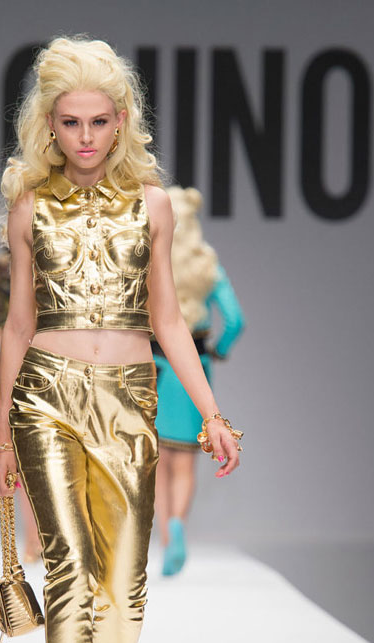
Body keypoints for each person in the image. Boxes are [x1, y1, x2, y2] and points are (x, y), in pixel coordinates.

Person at [0, 35, 242, 643]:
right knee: (68, 567)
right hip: (47, 398)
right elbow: (20, 322)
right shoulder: (30, 207)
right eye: (71, 122)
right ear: (49, 124)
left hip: (129, 397)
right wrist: (0, 438)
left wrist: (211, 412)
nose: (86, 137)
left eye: (100, 121)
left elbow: (168, 318)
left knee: (124, 584)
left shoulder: (152, 206)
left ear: (123, 120)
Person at [151, 186, 245, 575]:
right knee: (186, 462)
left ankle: (166, 540)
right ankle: (178, 525)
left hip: (156, 367)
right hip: (195, 369)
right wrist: (218, 349)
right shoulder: (207, 266)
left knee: (157, 460)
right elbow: (235, 319)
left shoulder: (152, 262)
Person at [0, 246, 42, 563]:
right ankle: (33, 538)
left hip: (57, 360)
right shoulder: (4, 264)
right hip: (17, 363)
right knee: (20, 456)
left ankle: (44, 539)